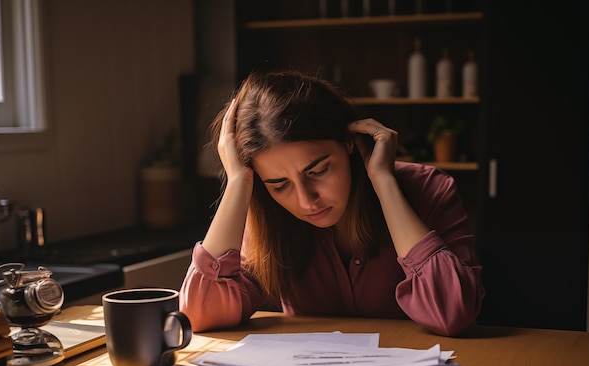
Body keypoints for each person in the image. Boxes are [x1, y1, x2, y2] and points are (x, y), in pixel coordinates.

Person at [179, 70, 484, 336]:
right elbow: (202, 314)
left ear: (350, 141)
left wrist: (384, 182)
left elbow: (452, 315)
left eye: (318, 170)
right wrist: (237, 183)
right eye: (279, 184)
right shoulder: (268, 215)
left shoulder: (430, 189)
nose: (306, 200)